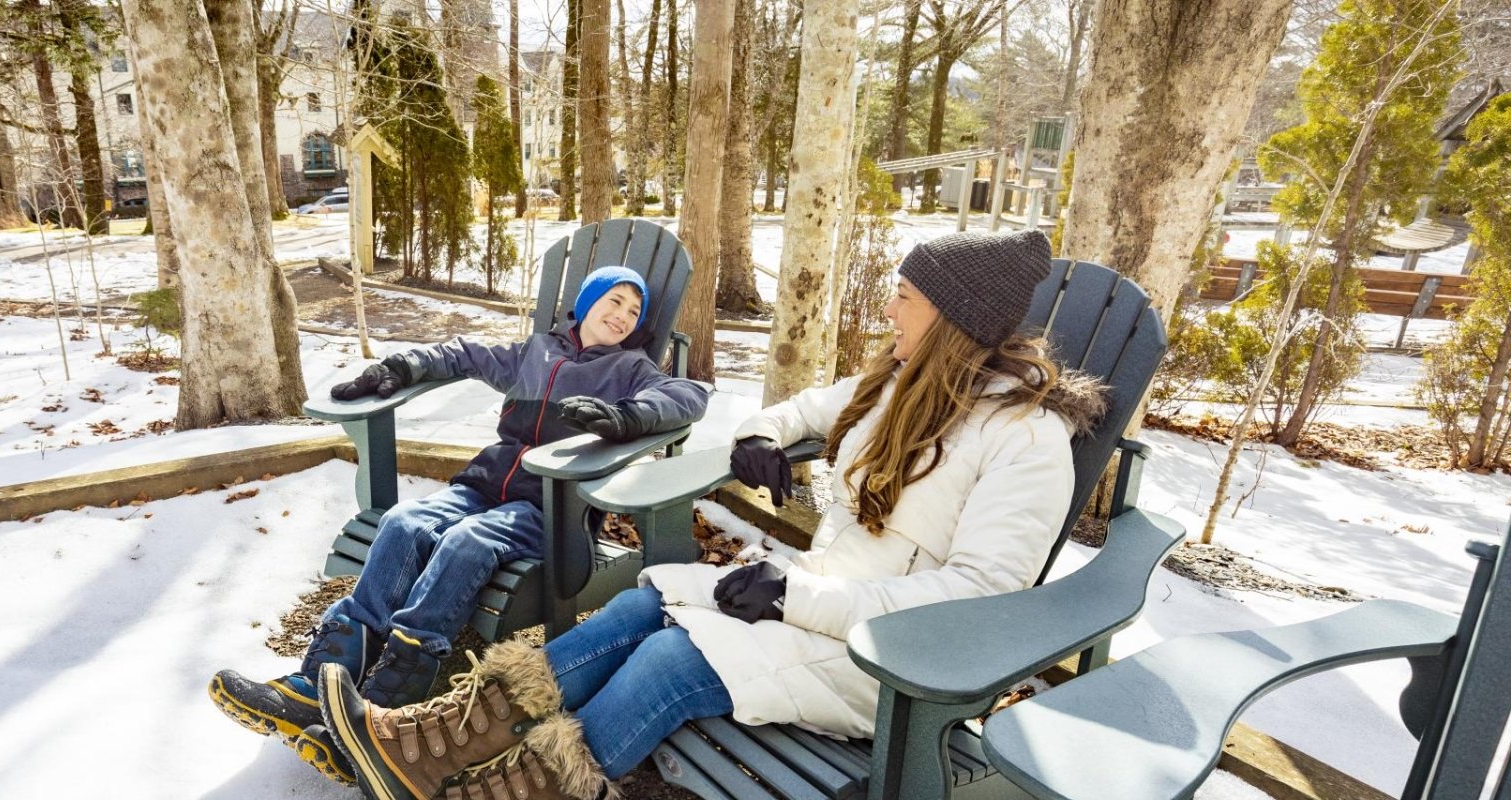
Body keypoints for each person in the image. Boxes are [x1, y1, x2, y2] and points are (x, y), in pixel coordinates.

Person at [316, 230, 1108, 800]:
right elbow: (798, 410)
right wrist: (763, 437)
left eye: (904, 298)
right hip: (820, 602)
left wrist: (797, 597)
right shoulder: (903, 387)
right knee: (645, 601)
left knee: (672, 661)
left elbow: (978, 598)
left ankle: (521, 788)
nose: (889, 312)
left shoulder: (1025, 438)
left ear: (952, 318)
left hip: (897, 661)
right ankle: (432, 747)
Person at [210, 266, 711, 785]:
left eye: (635, 311)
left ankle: (386, 703)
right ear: (585, 305)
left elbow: (689, 395)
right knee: (405, 522)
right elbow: (462, 352)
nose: (624, 316)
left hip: (549, 504)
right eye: (616, 300)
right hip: (483, 484)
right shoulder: (535, 353)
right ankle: (316, 681)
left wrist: (627, 416)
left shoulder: (630, 369)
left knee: (465, 541)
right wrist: (401, 366)